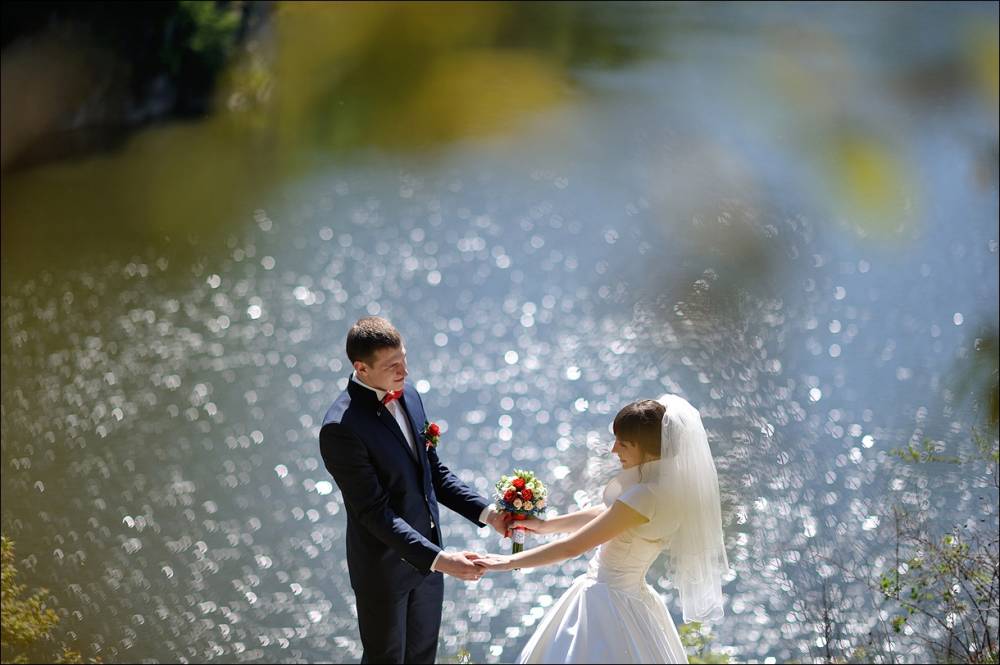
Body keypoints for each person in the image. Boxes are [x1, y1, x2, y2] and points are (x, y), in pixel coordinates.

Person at [473, 396, 729, 664]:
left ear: (649, 449)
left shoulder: (643, 496)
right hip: (635, 600)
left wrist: (507, 562)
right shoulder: (667, 489)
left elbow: (571, 548)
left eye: (624, 443)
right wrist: (545, 526)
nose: (613, 449)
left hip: (606, 602)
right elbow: (608, 514)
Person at [319, 316, 510, 663]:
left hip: (429, 564)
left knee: (423, 657)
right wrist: (441, 560)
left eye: (404, 358)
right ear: (361, 368)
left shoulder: (410, 395)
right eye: (392, 365)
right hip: (384, 573)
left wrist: (489, 514)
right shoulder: (340, 429)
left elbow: (433, 473)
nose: (404, 371)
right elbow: (374, 513)